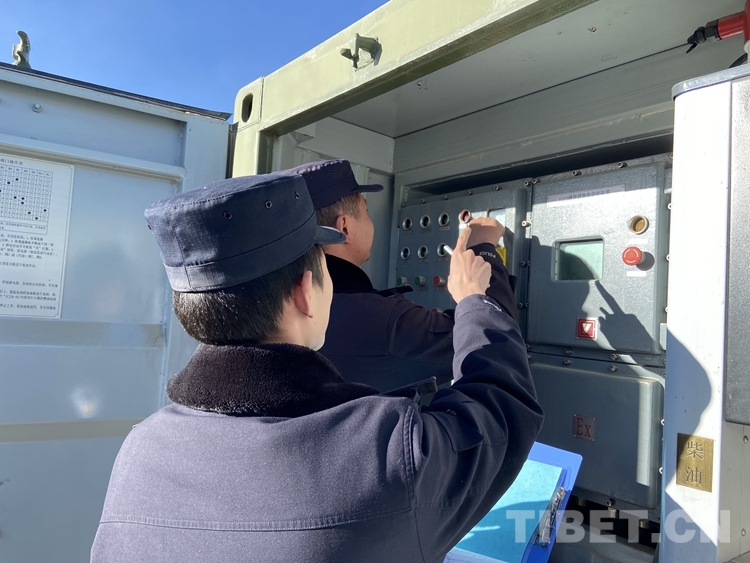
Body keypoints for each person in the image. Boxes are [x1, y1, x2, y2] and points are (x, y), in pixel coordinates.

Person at [90, 171, 543, 563]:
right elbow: (501, 408)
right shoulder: (387, 455)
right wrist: (476, 298)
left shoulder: (140, 450)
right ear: (307, 291)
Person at [286, 159, 518, 392]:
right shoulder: (383, 320)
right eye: (366, 212)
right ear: (344, 227)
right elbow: (493, 342)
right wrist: (482, 250)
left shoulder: (282, 304)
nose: (371, 222)